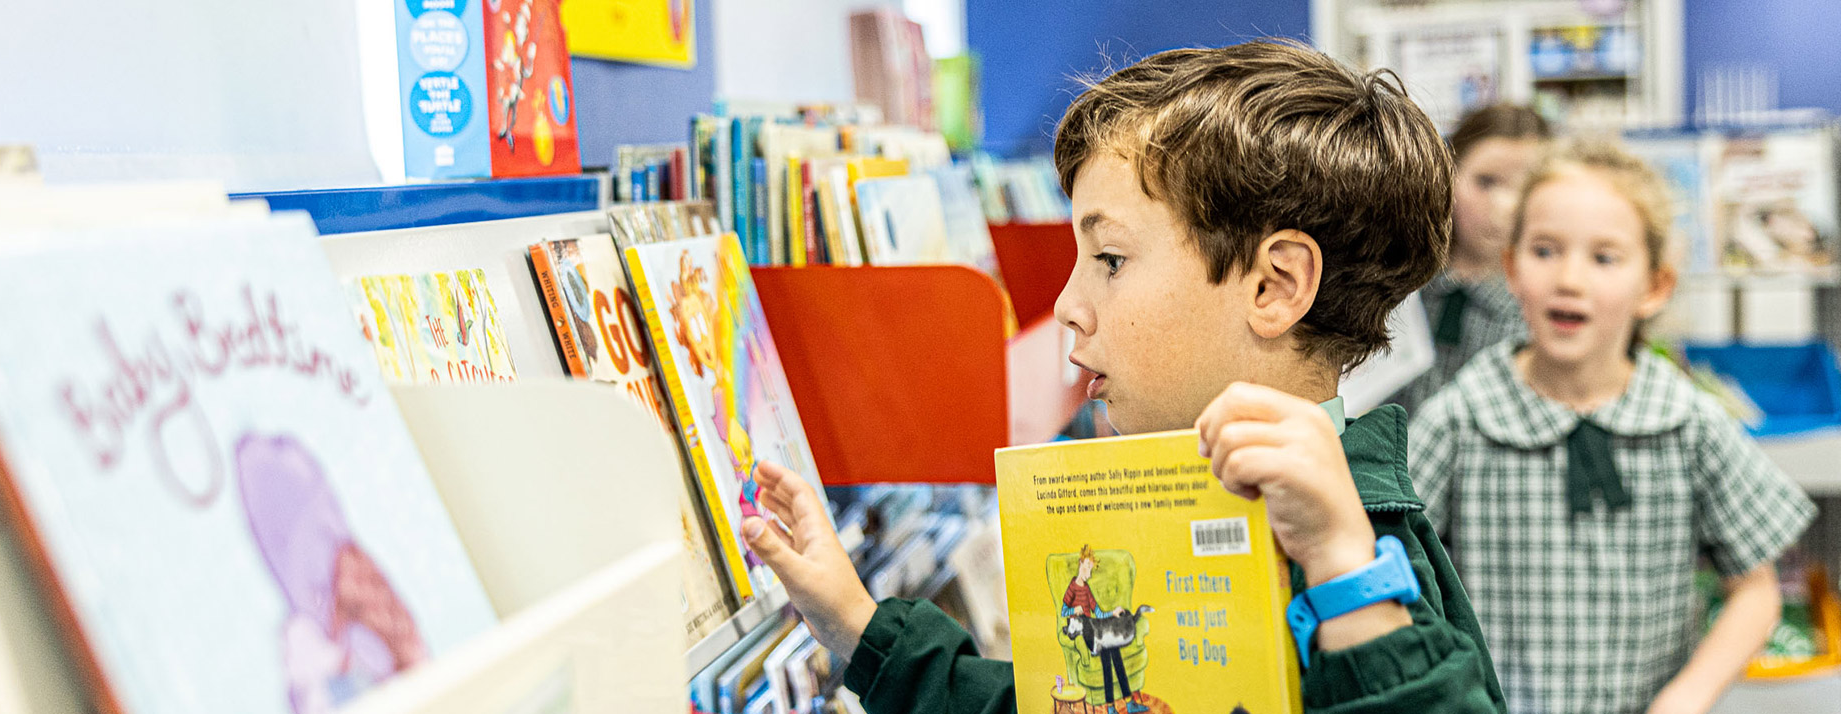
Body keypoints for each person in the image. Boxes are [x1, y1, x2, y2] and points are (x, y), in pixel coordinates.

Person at [740, 40, 1504, 714]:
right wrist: (857, 625)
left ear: (1274, 287)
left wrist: (1347, 578)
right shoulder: (1172, 498)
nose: (1069, 306)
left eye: (1109, 260)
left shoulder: (1367, 552)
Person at [1409, 140, 1816, 714]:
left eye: (1604, 258)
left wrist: (1686, 697)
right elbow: (1394, 565)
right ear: (1512, 268)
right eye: (1545, 250)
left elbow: (1755, 592)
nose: (1569, 278)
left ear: (1654, 286)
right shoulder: (1459, 418)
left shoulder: (1689, 423)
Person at [1389, 104, 1550, 414]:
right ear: (1449, 177)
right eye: (1486, 182)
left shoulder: (1546, 308)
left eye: (1527, 187)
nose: (1505, 205)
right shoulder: (1402, 285)